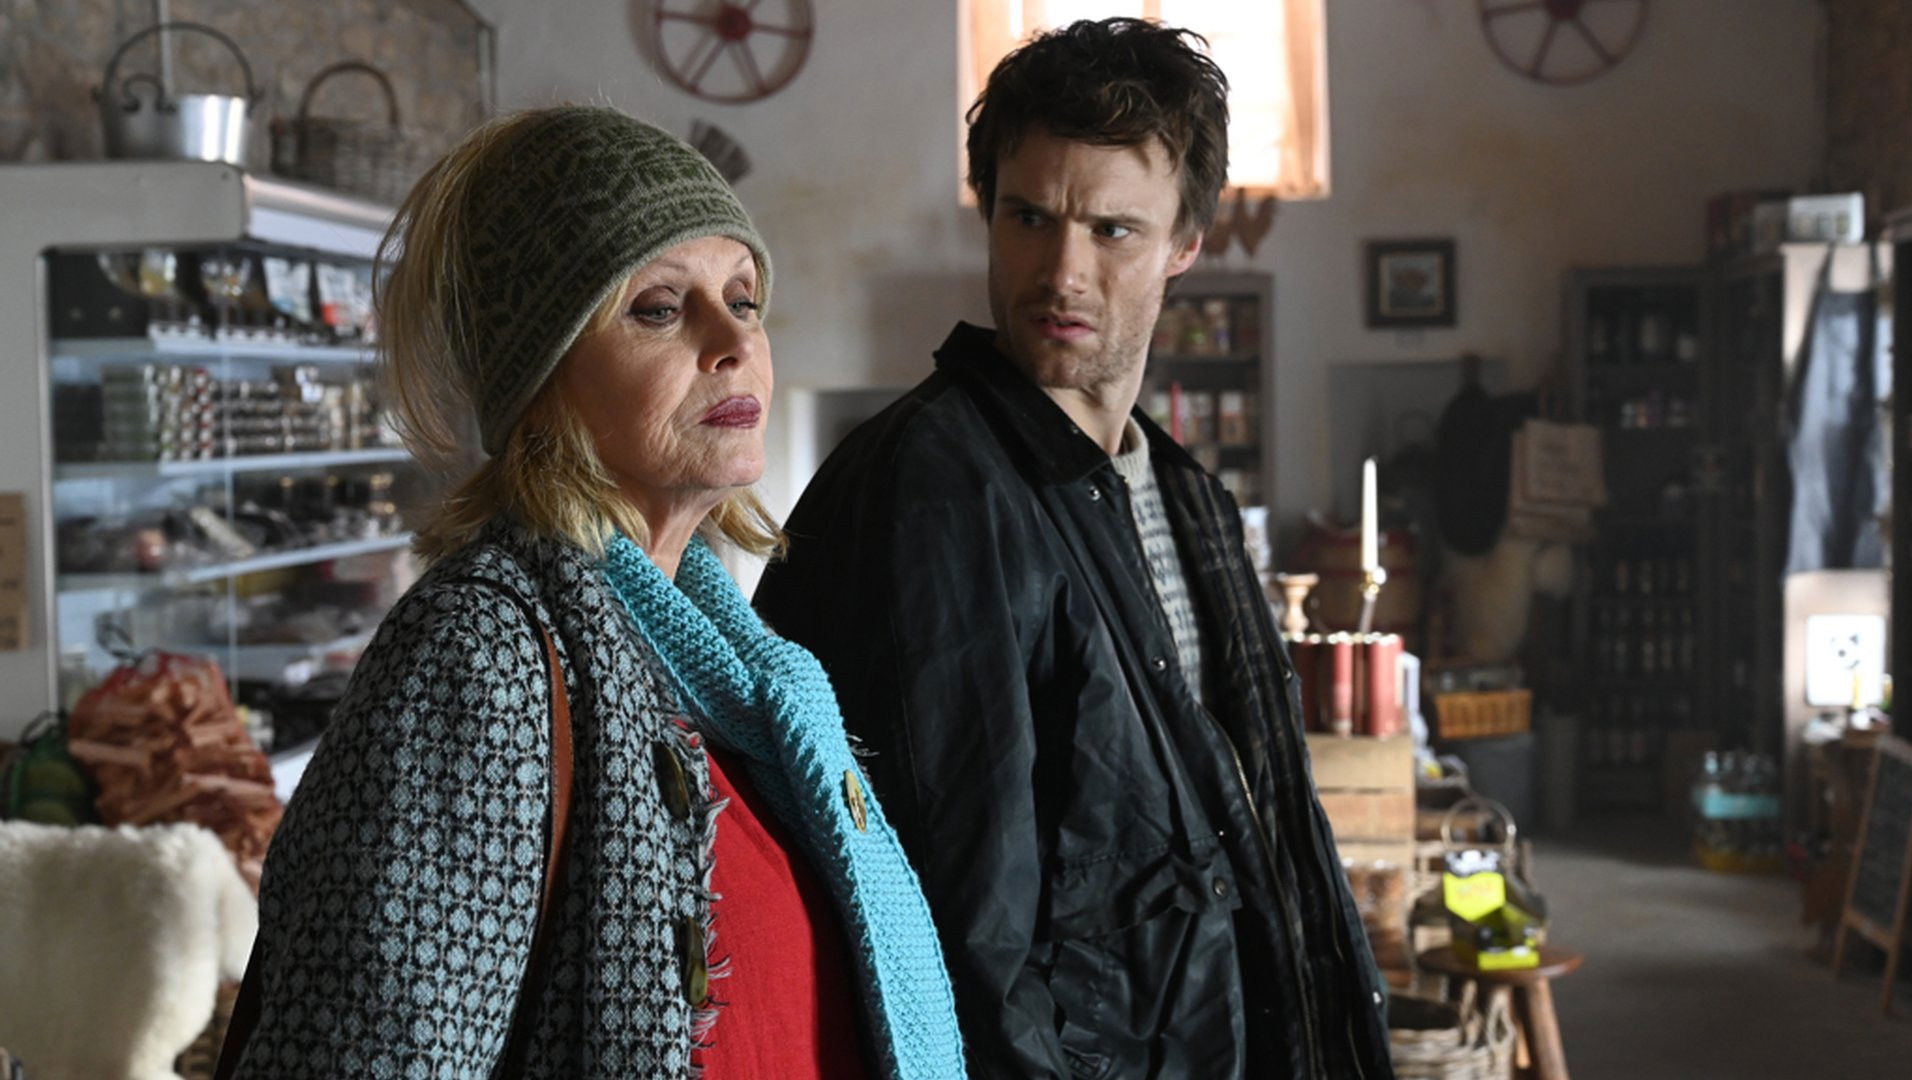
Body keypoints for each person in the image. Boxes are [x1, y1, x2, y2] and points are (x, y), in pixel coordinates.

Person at [222, 106, 964, 1079]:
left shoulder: (744, 675)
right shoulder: (480, 653)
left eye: (743, 299)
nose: (732, 342)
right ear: (540, 375)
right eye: (658, 308)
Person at [755, 18, 1394, 1079]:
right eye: (1029, 218)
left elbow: (1261, 831)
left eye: (1113, 230)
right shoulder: (934, 489)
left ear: (1186, 243)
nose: (1063, 272)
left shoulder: (1186, 496)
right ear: (988, 213)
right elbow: (961, 928)